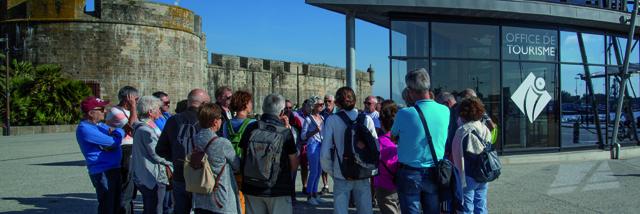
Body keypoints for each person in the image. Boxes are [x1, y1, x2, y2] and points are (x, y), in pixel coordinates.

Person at [391, 68, 450, 213]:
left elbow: (393, 137)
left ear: (411, 91)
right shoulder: (445, 111)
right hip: (435, 170)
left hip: (410, 172)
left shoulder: (404, 113)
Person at [320, 87, 378, 214]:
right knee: (366, 210)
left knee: (340, 211)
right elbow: (375, 148)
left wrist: (332, 171)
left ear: (338, 103)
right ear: (355, 101)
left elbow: (324, 153)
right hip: (362, 172)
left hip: (342, 173)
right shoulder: (366, 119)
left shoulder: (332, 120)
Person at [239, 93, 298, 214]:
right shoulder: (285, 133)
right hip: (278, 189)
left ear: (263, 109)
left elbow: (243, 155)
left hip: (252, 187)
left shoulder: (251, 128)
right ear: (282, 112)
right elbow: (294, 164)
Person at [157, 89, 211, 214]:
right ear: (203, 104)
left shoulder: (173, 120)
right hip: (201, 175)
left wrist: (177, 159)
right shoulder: (207, 121)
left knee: (180, 209)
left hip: (180, 173)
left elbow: (160, 149)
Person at [76, 96, 124, 214]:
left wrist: (117, 133)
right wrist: (116, 135)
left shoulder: (99, 125)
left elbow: (119, 130)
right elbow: (114, 142)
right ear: (91, 113)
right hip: (103, 171)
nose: (105, 111)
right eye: (101, 109)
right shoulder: (85, 129)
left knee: (117, 204)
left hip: (114, 168)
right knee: (107, 205)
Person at [193, 103, 242, 214]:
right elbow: (237, 165)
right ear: (215, 121)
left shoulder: (195, 139)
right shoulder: (222, 143)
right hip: (219, 198)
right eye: (221, 118)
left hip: (199, 195)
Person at [131, 96, 173, 214]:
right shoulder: (146, 130)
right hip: (151, 175)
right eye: (157, 109)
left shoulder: (145, 127)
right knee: (155, 207)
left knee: (153, 205)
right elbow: (156, 154)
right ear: (150, 112)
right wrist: (172, 161)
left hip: (148, 173)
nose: (160, 111)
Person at [451, 97, 492, 214]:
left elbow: (456, 155)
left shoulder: (462, 131)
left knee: (467, 208)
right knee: (481, 205)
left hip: (467, 174)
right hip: (483, 172)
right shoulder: (484, 128)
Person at [105, 86, 139, 214]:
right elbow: (132, 128)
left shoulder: (130, 111)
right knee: (126, 186)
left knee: (132, 187)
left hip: (131, 148)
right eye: (136, 99)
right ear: (128, 99)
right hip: (124, 149)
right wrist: (134, 108)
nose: (137, 102)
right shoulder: (115, 111)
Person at [374, 100, 400, 214]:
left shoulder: (378, 142)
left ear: (382, 123)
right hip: (402, 184)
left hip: (384, 184)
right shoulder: (402, 140)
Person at [301, 96, 325, 205]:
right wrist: (314, 131)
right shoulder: (308, 119)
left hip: (321, 145)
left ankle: (315, 194)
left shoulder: (322, 118)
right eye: (319, 104)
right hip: (313, 146)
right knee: (314, 171)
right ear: (313, 106)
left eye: (322, 104)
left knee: (319, 171)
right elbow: (303, 136)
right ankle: (309, 196)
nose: (322, 106)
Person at [222, 90, 255, 156]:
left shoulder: (226, 124)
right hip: (246, 160)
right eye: (250, 102)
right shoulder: (253, 123)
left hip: (231, 159)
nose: (252, 104)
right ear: (246, 103)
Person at [319, 95, 335, 195]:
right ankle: (325, 185)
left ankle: (337, 184)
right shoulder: (321, 114)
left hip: (336, 142)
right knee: (324, 164)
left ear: (334, 102)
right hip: (325, 141)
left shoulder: (338, 113)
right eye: (325, 101)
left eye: (329, 101)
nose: (327, 103)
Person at [436, 91, 458, 159]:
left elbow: (452, 136)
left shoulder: (454, 113)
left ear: (447, 103)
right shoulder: (461, 111)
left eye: (439, 107)